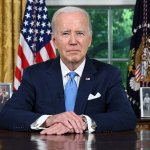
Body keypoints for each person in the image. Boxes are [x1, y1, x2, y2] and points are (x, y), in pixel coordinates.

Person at [0, 6, 136, 134]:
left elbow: (126, 117)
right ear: (54, 41)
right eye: (65, 33)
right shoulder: (35, 74)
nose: (73, 41)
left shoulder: (109, 75)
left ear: (89, 40)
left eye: (80, 33)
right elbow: (8, 115)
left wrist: (82, 122)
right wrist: (50, 120)